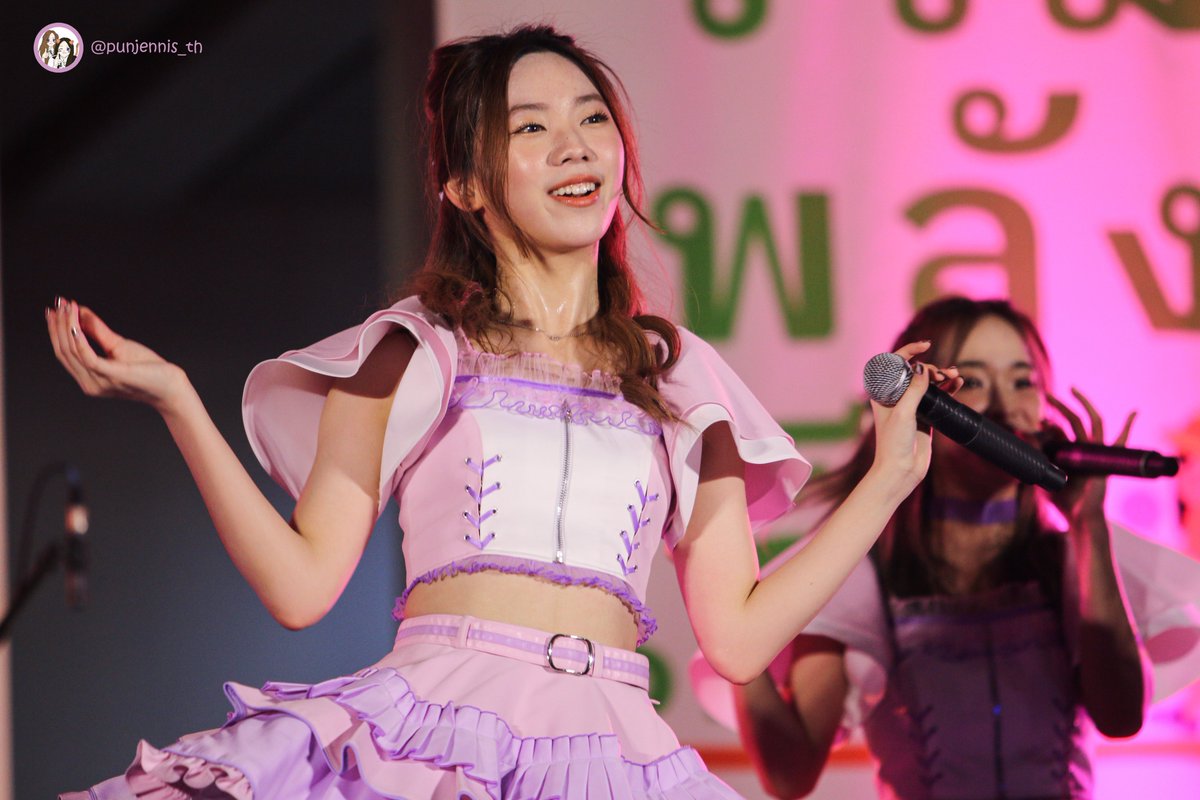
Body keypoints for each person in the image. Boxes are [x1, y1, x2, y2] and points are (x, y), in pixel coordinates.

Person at [48, 25, 950, 799]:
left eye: (592, 119)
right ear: (466, 186)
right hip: (437, 732)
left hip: (615, 748)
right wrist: (178, 401)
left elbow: (739, 640)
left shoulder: (679, 375)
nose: (575, 147)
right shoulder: (415, 349)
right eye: (532, 127)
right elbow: (300, 587)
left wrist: (888, 479)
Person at [692, 297, 1200, 800]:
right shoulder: (867, 572)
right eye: (973, 381)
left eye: (1023, 381)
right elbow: (790, 774)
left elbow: (1120, 717)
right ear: (924, 403)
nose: (1004, 405)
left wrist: (1089, 524)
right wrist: (732, 622)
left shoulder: (1073, 557)